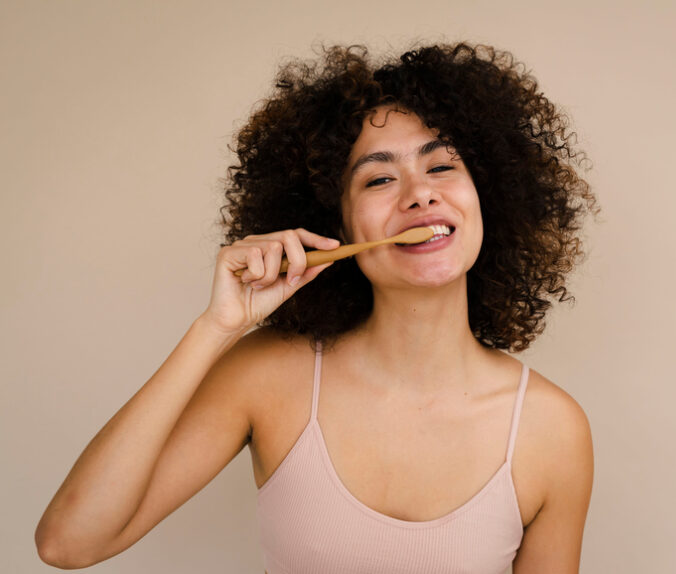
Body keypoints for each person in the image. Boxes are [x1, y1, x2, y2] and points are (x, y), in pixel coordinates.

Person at [35, 42, 598, 573]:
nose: (420, 194)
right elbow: (70, 542)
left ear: (488, 197)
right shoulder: (266, 376)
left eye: (442, 166)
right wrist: (216, 329)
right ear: (338, 226)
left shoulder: (552, 429)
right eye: (379, 178)